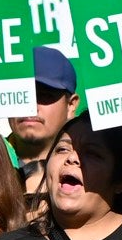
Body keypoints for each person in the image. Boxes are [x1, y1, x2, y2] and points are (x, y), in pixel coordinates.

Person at [7, 46, 82, 205]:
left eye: (45, 95)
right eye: (22, 95)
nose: (31, 106)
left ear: (71, 105)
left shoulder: (90, 168)